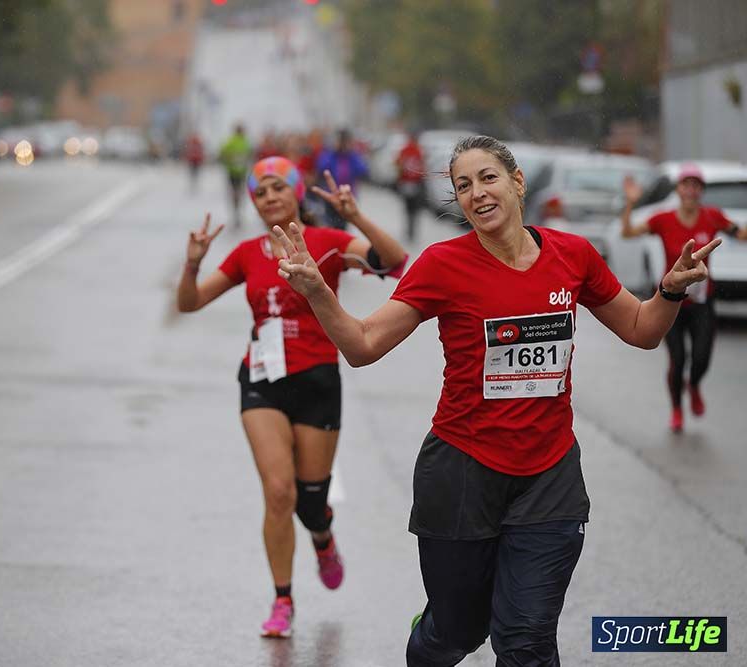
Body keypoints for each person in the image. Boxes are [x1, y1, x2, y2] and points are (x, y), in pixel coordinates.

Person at [270, 136, 720, 664]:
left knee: (525, 639)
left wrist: (669, 291)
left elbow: (642, 330)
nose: (477, 193)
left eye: (487, 178)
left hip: (549, 478)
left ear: (517, 182)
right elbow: (364, 346)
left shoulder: (572, 256)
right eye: (463, 186)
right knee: (457, 634)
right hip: (462, 472)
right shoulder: (442, 264)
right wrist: (319, 291)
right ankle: (434, 631)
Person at [177, 156, 407, 638]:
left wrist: (355, 214)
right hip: (262, 380)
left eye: (279, 187)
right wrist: (193, 262)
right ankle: (282, 599)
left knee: (308, 500)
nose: (269, 197)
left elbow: (394, 260)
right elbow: (190, 302)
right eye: (260, 192)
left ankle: (322, 536)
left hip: (318, 379)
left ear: (297, 192)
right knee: (278, 491)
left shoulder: (327, 243)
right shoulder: (245, 253)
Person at [621, 164, 747, 432]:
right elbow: (628, 233)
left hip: (703, 303)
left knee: (701, 359)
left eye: (696, 185)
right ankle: (677, 408)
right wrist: (630, 204)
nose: (690, 190)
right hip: (671, 304)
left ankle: (695, 385)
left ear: (701, 191)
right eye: (685, 184)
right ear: (678, 189)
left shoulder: (712, 216)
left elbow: (741, 234)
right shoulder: (662, 219)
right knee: (678, 359)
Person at [316, 128, 369, 230]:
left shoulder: (352, 156)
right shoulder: (330, 154)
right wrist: (333, 151)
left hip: (347, 195)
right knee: (330, 223)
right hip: (330, 194)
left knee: (343, 225)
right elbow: (321, 167)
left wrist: (351, 152)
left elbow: (362, 170)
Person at [218, 123, 253, 228]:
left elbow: (222, 153)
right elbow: (249, 154)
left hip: (235, 171)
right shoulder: (244, 142)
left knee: (236, 192)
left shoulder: (232, 142)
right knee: (238, 192)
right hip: (237, 171)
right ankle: (237, 210)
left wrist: (228, 161)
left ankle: (236, 210)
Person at [395, 132, 426, 240]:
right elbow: (423, 166)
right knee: (414, 208)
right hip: (414, 182)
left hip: (407, 182)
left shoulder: (405, 150)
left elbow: (398, 165)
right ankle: (411, 230)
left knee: (408, 208)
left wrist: (399, 179)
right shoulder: (419, 150)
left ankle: (410, 230)